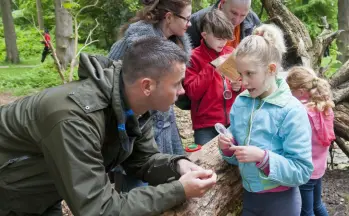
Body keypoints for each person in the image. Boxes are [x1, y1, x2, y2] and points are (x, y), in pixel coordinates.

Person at [0, 37, 217, 216]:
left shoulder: (133, 101)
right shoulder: (75, 119)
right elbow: (99, 209)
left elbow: (142, 159)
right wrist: (178, 190)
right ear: (147, 86)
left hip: (44, 191)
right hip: (10, 195)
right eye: (177, 83)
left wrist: (177, 166)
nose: (182, 91)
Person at [217, 24, 314, 216]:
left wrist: (263, 157)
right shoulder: (241, 103)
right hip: (250, 198)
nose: (243, 82)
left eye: (250, 74)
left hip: (282, 203)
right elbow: (238, 158)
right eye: (240, 74)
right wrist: (228, 148)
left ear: (271, 69)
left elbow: (302, 171)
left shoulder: (291, 111)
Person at [108, 0, 192, 192]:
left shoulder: (175, 42)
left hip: (165, 125)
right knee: (136, 188)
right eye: (186, 18)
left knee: (166, 183)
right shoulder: (134, 44)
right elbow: (114, 87)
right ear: (169, 17)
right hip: (136, 126)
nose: (190, 24)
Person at [184, 9, 242, 145]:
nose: (223, 43)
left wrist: (239, 86)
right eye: (219, 38)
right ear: (204, 35)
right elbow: (192, 92)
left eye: (226, 38)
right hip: (205, 125)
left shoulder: (231, 52)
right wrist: (211, 67)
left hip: (232, 121)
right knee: (204, 163)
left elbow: (244, 83)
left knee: (232, 159)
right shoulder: (193, 57)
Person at [287, 66, 335, 216]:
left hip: (305, 169)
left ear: (301, 91)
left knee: (306, 211)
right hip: (319, 168)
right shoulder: (325, 106)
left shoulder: (302, 112)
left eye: (290, 91)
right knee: (317, 205)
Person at [187, 0, 260, 49]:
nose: (237, 21)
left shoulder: (252, 20)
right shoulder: (196, 22)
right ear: (222, 3)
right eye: (234, 13)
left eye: (243, 15)